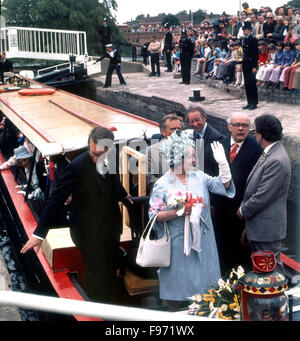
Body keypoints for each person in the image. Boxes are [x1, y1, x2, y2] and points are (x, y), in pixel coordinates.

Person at [20, 127, 133, 303]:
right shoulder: (76, 167)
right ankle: (97, 309)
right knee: (97, 276)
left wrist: (124, 194)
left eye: (100, 155)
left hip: (111, 228)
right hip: (87, 232)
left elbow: (113, 181)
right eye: (93, 153)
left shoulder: (111, 158)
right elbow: (55, 202)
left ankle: (109, 301)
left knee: (110, 269)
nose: (96, 158)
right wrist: (39, 234)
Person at [149, 130, 235, 310]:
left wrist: (223, 164)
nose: (196, 160)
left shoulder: (200, 177)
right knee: (175, 290)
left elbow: (224, 185)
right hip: (177, 246)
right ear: (178, 158)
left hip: (203, 244)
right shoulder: (162, 184)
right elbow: (155, 215)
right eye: (192, 157)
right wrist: (180, 211)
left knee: (207, 290)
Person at [237, 115, 291, 274]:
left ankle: (276, 298)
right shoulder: (271, 153)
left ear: (260, 135)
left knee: (271, 269)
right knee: (263, 267)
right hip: (262, 227)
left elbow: (263, 196)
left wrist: (243, 210)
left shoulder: (276, 160)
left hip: (266, 229)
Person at [214, 113, 262, 274]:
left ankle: (238, 287)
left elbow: (256, 184)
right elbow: (210, 174)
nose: (241, 128)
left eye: (245, 125)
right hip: (219, 209)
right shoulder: (219, 145)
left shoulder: (256, 149)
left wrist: (245, 208)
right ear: (229, 127)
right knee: (221, 248)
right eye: (237, 125)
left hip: (240, 212)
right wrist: (212, 203)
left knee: (239, 254)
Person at [146, 114, 182, 194]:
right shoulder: (150, 151)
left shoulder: (189, 149)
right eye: (173, 129)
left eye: (179, 129)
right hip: (162, 194)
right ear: (163, 132)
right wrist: (170, 186)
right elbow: (148, 178)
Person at [242, 21, 259, 110]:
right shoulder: (245, 39)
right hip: (245, 64)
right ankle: (249, 102)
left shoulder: (253, 39)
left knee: (252, 84)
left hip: (251, 64)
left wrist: (255, 66)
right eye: (243, 30)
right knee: (247, 84)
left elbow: (255, 54)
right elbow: (244, 53)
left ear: (249, 30)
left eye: (245, 30)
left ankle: (254, 103)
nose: (244, 31)